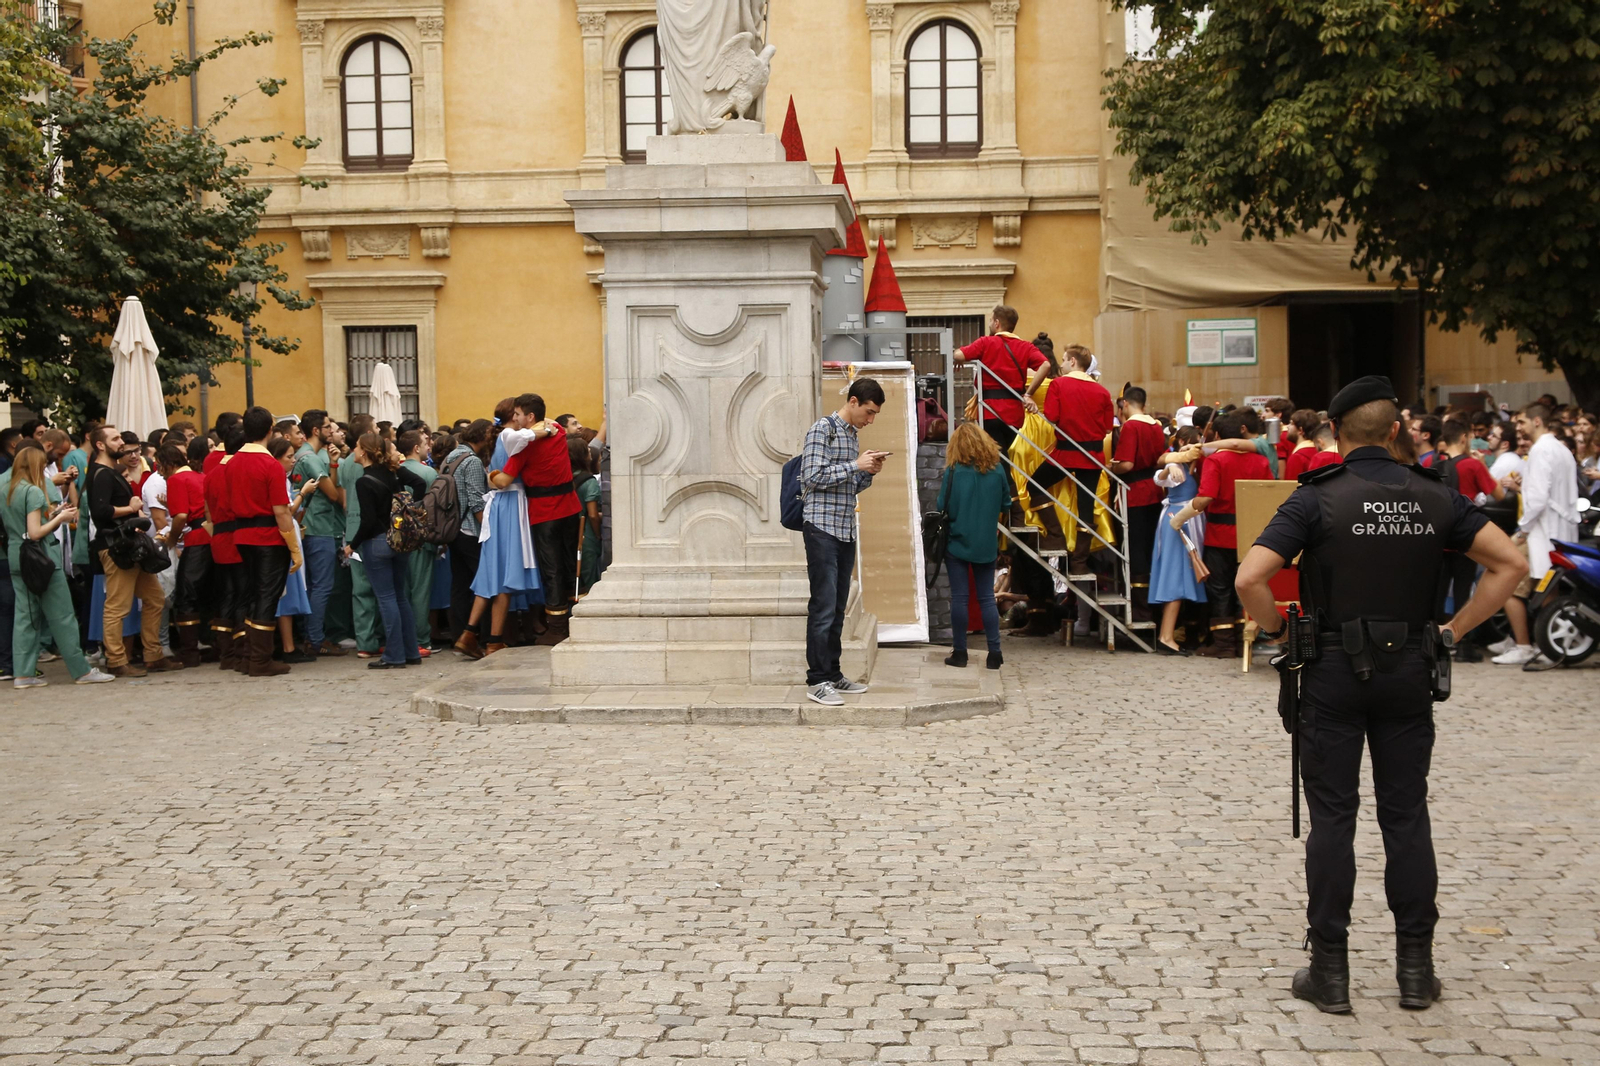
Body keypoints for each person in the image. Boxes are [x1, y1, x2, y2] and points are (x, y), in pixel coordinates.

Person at [1235, 374, 1526, 1015]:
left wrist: (1280, 631)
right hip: (1408, 671)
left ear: (1335, 433)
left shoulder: (1316, 497)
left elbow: (1250, 578)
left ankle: (1330, 972)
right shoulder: (1437, 494)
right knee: (1406, 815)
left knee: (1333, 819)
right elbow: (1511, 564)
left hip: (1332, 671)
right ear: (1395, 430)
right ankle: (1415, 971)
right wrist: (1453, 631)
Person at [798, 377, 887, 707]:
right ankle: (816, 681)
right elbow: (811, 477)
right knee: (822, 607)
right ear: (852, 402)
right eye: (869, 411)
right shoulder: (823, 430)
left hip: (844, 529)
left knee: (837, 609)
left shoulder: (851, 436)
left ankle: (833, 674)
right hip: (821, 528)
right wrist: (855, 464)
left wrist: (867, 472)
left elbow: (848, 486)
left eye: (874, 414)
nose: (870, 419)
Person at [3, 446, 116, 687]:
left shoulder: (6, 488)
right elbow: (36, 532)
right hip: (42, 556)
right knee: (63, 616)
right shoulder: (33, 490)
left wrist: (53, 513)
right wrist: (60, 518)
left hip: (16, 554)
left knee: (25, 616)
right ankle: (81, 670)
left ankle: (23, 674)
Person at [1169, 412, 1272, 658]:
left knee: (1221, 589)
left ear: (1216, 435)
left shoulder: (1216, 461)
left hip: (1220, 534)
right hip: (1252, 535)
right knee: (1245, 589)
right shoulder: (1261, 461)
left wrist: (1180, 518)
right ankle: (1245, 640)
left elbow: (1205, 498)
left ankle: (1225, 645)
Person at [86, 426, 181, 677]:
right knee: (117, 606)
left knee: (155, 598)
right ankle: (116, 660)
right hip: (116, 547)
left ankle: (153, 655)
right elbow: (100, 512)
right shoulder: (102, 474)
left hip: (130, 546)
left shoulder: (111, 472)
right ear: (100, 445)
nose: (121, 442)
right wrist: (131, 509)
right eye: (115, 438)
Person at [1493, 403, 1581, 666]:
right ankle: (1538, 645)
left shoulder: (1541, 450)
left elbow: (1537, 499)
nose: (1518, 427)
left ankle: (1525, 645)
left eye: (1522, 422)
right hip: (1559, 530)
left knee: (1511, 581)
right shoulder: (1561, 449)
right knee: (1548, 589)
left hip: (1542, 531)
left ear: (1537, 421)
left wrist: (1524, 529)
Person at [456, 401, 542, 658]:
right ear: (512, 416)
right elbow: (529, 435)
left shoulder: (496, 439)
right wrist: (548, 428)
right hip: (510, 505)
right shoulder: (508, 435)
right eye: (518, 413)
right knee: (505, 573)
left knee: (492, 572)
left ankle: (470, 633)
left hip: (498, 506)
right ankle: (492, 640)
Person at [226, 407, 303, 676]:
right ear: (270, 430)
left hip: (241, 535)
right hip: (268, 537)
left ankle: (248, 656)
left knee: (251, 595)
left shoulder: (232, 462)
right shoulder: (270, 464)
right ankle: (260, 660)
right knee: (267, 597)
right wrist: (294, 548)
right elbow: (281, 511)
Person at [502, 393, 583, 647]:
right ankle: (577, 618)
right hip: (570, 506)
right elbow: (550, 422)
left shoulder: (524, 447)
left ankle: (557, 628)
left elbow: (505, 479)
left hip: (544, 512)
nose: (515, 419)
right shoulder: (558, 430)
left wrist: (491, 476)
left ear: (530, 416)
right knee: (570, 564)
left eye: (518, 414)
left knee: (552, 569)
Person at [347, 432, 429, 669]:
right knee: (400, 596)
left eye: (356, 446)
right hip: (400, 539)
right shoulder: (392, 471)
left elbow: (368, 521)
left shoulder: (364, 481)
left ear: (364, 452)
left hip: (377, 542)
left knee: (386, 598)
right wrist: (412, 509)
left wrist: (352, 544)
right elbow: (420, 483)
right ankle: (411, 651)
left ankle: (394, 655)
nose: (353, 450)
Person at [936, 422, 1012, 669]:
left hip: (957, 541)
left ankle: (960, 653)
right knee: (987, 598)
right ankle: (995, 653)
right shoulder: (997, 470)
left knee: (960, 597)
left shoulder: (953, 471)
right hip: (986, 542)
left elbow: (942, 506)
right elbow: (1006, 503)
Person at [1038, 344, 1115, 566]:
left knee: (1035, 486)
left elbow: (1051, 416)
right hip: (1093, 455)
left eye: (1064, 360)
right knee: (1086, 507)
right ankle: (1079, 563)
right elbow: (1107, 428)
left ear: (1073, 361)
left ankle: (1056, 536)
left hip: (1066, 452)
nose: (1061, 364)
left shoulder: (1058, 384)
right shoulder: (1102, 391)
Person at [953, 305, 1049, 453]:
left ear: (997, 323)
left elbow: (959, 355)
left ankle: (1004, 470)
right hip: (1015, 412)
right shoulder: (1025, 346)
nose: (990, 323)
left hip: (990, 410)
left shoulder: (986, 342)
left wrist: (959, 358)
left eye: (991, 320)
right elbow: (1046, 365)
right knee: (1003, 454)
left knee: (995, 456)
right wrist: (1029, 394)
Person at [291, 410, 347, 658]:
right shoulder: (310, 459)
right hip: (318, 527)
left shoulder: (305, 455)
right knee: (322, 586)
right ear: (316, 431)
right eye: (327, 427)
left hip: (313, 526)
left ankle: (312, 636)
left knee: (315, 586)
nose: (331, 431)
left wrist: (333, 463)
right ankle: (315, 639)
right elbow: (333, 495)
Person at [1149, 426, 1206, 655]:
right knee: (1175, 576)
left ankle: (1168, 634)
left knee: (1183, 576)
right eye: (1191, 443)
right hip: (1178, 522)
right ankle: (1166, 636)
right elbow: (1160, 477)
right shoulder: (1176, 463)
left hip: (1189, 520)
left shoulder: (1197, 463)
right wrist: (1171, 464)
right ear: (1181, 442)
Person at [1110, 385, 1167, 610]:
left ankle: (1140, 607)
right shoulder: (1156, 425)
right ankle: (1153, 603)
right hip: (1155, 489)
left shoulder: (1131, 426)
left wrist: (1110, 468)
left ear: (1125, 403)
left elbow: (1126, 464)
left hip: (1135, 493)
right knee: (1151, 546)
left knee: (1135, 549)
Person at [337, 413, 383, 658]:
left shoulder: (346, 463)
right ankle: (379, 636)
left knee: (361, 588)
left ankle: (365, 641)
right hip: (374, 528)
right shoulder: (378, 461)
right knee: (381, 586)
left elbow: (344, 502)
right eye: (376, 427)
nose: (379, 430)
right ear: (368, 433)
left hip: (352, 526)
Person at [443, 419, 492, 646]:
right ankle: (483, 637)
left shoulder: (451, 457)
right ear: (482, 436)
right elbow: (476, 502)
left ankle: (458, 635)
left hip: (453, 529)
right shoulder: (471, 461)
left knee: (460, 586)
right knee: (485, 583)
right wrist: (488, 531)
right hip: (470, 530)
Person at [165, 436, 212, 666]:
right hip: (212, 535)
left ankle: (189, 650)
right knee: (211, 592)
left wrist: (172, 540)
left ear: (167, 464)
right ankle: (215, 644)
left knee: (186, 594)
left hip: (195, 538)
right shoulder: (201, 476)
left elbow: (181, 515)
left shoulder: (177, 479)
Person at [205, 428, 248, 672]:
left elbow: (208, 512)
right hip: (239, 535)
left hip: (219, 536)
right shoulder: (239, 471)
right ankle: (241, 652)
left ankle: (226, 654)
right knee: (243, 593)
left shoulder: (211, 475)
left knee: (226, 594)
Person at [271, 436, 317, 664]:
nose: (293, 461)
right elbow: (286, 510)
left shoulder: (284, 478)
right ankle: (288, 646)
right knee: (285, 595)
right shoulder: (277, 478)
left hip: (290, 534)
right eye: (289, 457)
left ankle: (286, 644)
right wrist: (303, 492)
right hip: (285, 538)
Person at [398, 428, 440, 655]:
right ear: (416, 448)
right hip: (422, 537)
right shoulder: (429, 473)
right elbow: (435, 508)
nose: (428, 446)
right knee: (421, 590)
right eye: (425, 443)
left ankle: (404, 638)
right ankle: (422, 638)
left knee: (402, 589)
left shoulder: (395, 470)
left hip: (398, 536)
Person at [571, 437, 603, 595]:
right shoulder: (589, 482)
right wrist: (598, 535)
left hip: (569, 531)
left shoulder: (564, 478)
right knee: (591, 578)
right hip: (587, 533)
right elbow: (593, 514)